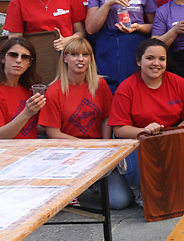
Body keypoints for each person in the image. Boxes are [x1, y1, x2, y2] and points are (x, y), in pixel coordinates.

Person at [109, 38, 184, 202]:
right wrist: (144, 131)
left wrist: (175, 133)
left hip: (173, 136)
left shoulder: (178, 83)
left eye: (162, 59)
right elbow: (119, 129)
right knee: (133, 178)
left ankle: (173, 186)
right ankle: (139, 188)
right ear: (139, 61)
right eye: (150, 58)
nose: (156, 63)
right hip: (139, 140)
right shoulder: (126, 88)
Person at [41, 37, 131, 209]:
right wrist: (88, 146)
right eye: (74, 54)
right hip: (67, 153)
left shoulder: (100, 84)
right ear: (65, 58)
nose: (80, 59)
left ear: (90, 59)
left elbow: (106, 117)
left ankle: (93, 182)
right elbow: (53, 133)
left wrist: (105, 146)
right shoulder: (53, 91)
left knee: (119, 201)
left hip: (97, 151)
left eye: (85, 54)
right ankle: (68, 185)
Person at [85, 0, 157, 91]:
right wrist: (108, 4)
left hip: (135, 43)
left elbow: (155, 26)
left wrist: (138, 27)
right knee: (106, 87)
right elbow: (91, 28)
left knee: (136, 87)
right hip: (107, 43)